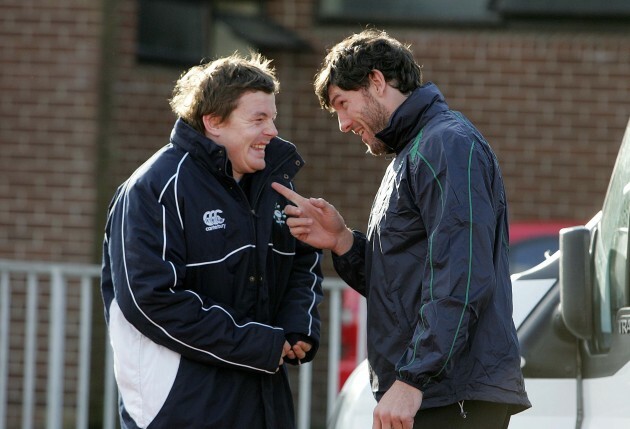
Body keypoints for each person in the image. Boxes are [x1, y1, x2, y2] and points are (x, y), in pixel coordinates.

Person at [272, 29, 531, 429]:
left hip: (451, 397)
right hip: (436, 393)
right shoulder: (415, 152)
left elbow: (461, 278)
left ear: (377, 82)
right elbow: (400, 289)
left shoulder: (445, 144)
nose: (342, 125)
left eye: (343, 104)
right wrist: (342, 242)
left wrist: (413, 378)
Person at [101, 53, 323, 429]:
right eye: (258, 119)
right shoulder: (153, 189)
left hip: (265, 404)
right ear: (213, 122)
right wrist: (261, 344)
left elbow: (302, 261)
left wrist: (296, 325)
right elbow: (149, 301)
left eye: (273, 117)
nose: (272, 130)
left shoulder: (276, 184)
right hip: (181, 410)